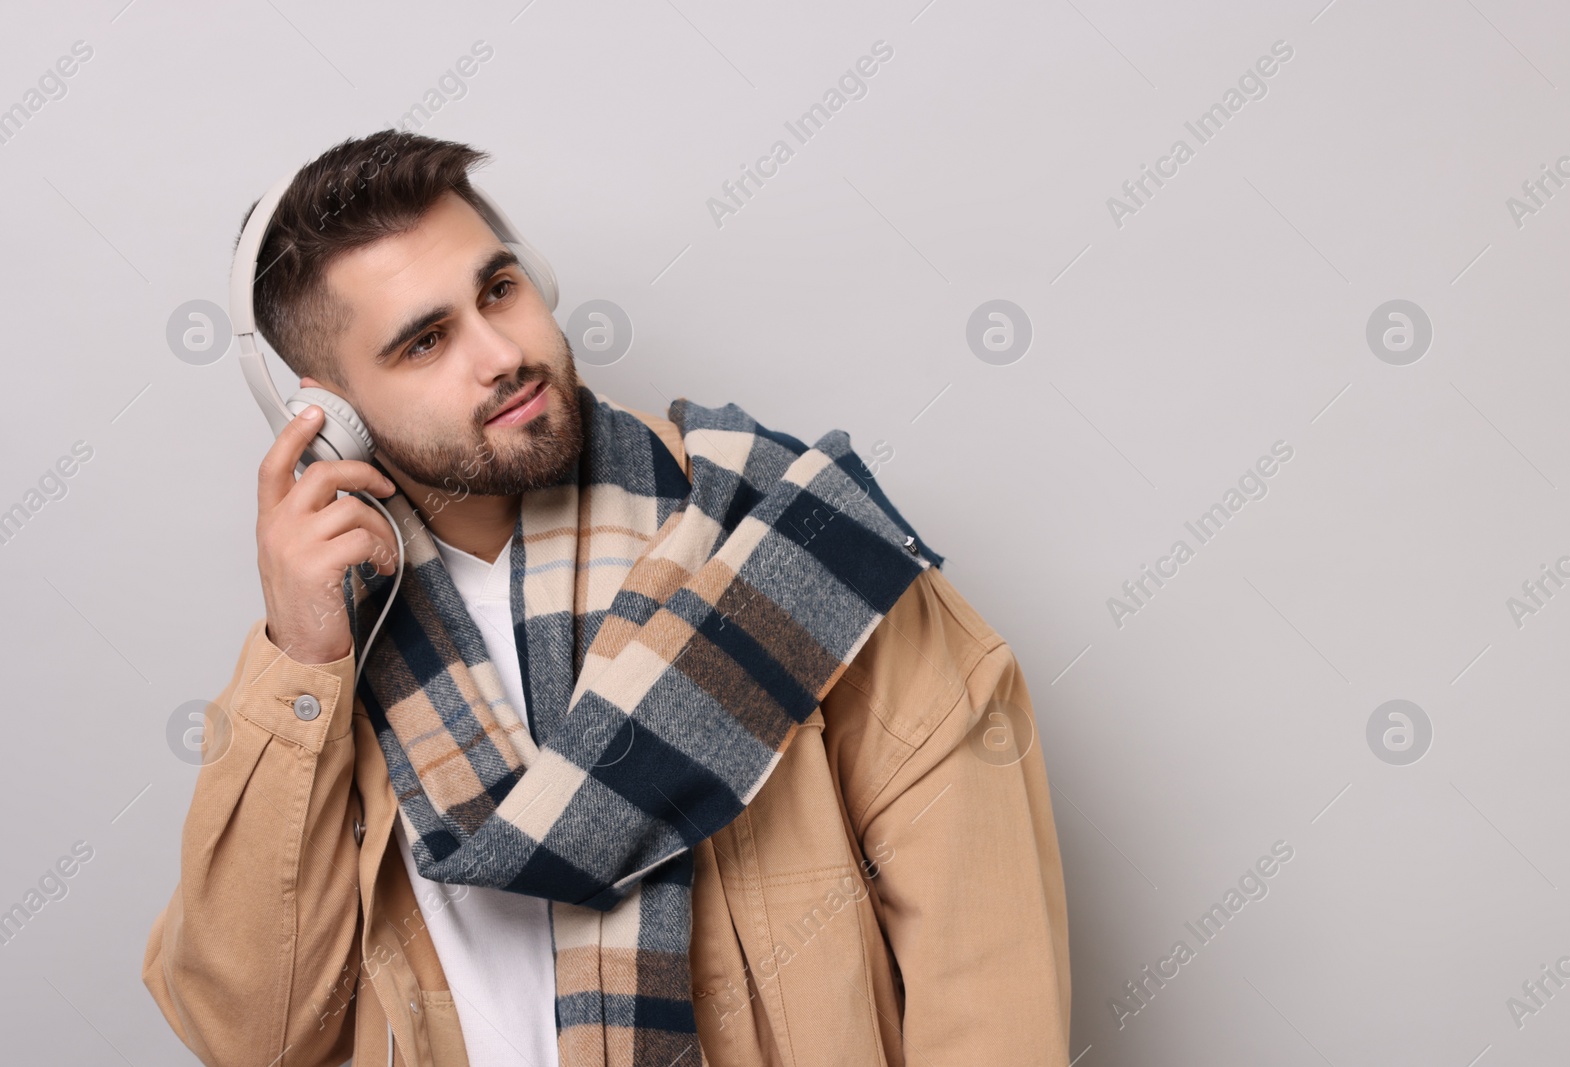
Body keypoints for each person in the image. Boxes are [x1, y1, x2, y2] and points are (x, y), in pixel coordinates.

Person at [141, 129, 1072, 1067]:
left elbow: (988, 979)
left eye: (498, 289)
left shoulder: (796, 549)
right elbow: (251, 1035)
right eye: (426, 341)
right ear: (326, 416)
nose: (502, 352)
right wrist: (302, 665)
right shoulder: (326, 662)